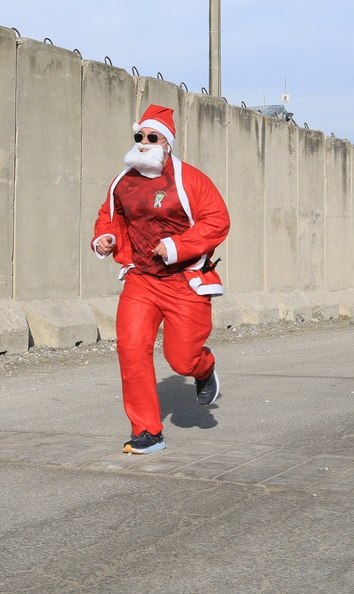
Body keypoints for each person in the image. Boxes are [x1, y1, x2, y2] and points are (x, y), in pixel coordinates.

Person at [92, 104, 230, 455]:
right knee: (131, 348)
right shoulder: (123, 181)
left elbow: (217, 221)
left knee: (181, 359)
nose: (143, 142)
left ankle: (203, 367)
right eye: (139, 136)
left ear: (167, 144)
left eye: (152, 137)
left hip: (184, 281)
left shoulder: (190, 180)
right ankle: (147, 431)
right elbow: (108, 215)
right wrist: (105, 238)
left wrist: (177, 246)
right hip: (141, 279)